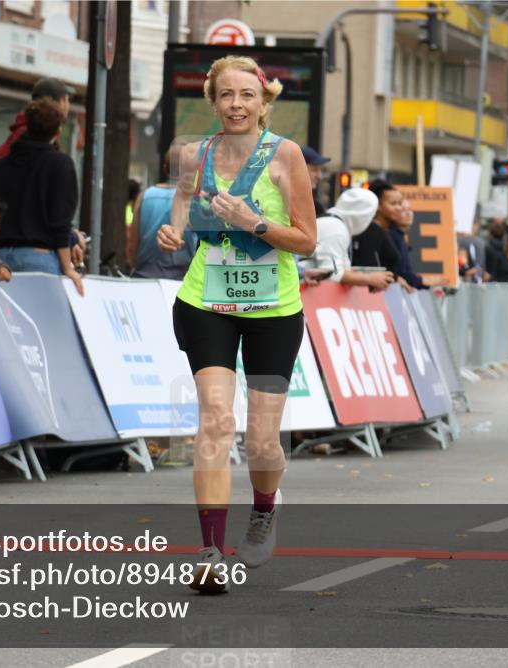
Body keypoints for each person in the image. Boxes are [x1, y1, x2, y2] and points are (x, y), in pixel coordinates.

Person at [156, 55, 317, 593]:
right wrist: (175, 231)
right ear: (213, 100)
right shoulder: (193, 153)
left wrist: (256, 222)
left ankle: (265, 508)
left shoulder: (286, 156)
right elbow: (182, 199)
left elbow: (307, 240)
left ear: (263, 102)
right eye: (226, 95)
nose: (237, 105)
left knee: (263, 440)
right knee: (217, 423)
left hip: (274, 310)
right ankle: (208, 552)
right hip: (208, 302)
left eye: (247, 95)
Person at [0, 99, 83, 295]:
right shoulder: (61, 165)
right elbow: (60, 221)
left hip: (0, 259)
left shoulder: (1, 167)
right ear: (57, 132)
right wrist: (68, 268)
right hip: (41, 259)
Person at [301, 187, 394, 291]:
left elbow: (343, 268)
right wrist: (370, 278)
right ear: (362, 215)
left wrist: (370, 280)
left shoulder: (335, 224)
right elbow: (333, 273)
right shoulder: (336, 229)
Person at [0, 77, 70, 178]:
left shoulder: (39, 131)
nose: (68, 105)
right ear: (58, 103)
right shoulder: (27, 132)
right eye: (66, 100)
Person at [129, 146, 197, 279]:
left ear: (165, 168)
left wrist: (135, 266)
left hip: (146, 278)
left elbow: (133, 244)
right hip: (183, 281)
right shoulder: (197, 199)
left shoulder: (145, 196)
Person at [351, 179, 400, 276]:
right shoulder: (372, 232)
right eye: (393, 204)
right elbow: (369, 270)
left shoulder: (387, 231)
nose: (399, 208)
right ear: (377, 205)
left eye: (400, 203)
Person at [388, 197, 430, 290]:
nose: (408, 213)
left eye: (410, 209)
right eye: (403, 210)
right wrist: (424, 282)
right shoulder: (391, 236)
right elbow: (401, 273)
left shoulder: (401, 238)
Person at [300, 145, 330, 217]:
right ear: (299, 170)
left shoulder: (317, 208)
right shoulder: (284, 204)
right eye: (314, 170)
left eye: (320, 170)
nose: (319, 176)